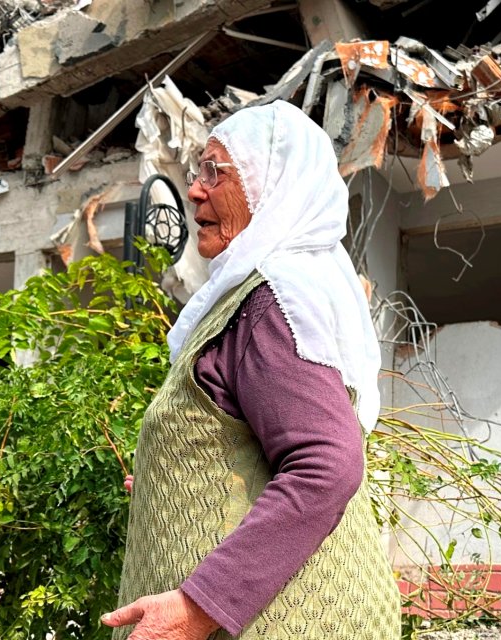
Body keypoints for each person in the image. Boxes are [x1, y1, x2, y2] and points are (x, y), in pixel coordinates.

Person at [101, 101, 401, 640]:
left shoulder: (270, 301)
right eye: (197, 173)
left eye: (214, 171)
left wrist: (200, 608)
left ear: (270, 187)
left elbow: (327, 465)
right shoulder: (253, 299)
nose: (195, 190)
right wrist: (173, 476)